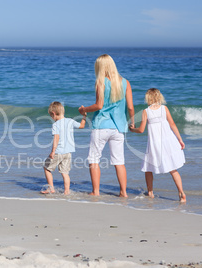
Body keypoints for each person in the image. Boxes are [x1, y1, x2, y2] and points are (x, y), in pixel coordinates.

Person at [79, 54, 135, 197]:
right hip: (118, 127)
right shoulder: (125, 82)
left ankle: (96, 192)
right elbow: (130, 107)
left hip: (101, 126)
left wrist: (84, 110)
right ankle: (123, 192)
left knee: (94, 159)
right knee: (119, 161)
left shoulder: (101, 81)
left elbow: (99, 105)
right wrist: (132, 121)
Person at [130, 88, 186, 202]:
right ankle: (181, 192)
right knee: (173, 169)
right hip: (168, 142)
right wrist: (180, 139)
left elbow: (141, 130)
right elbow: (173, 124)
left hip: (155, 144)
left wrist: (132, 129)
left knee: (148, 168)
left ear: (148, 98)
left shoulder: (146, 111)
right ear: (159, 97)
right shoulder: (164, 109)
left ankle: (150, 192)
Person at [42, 101, 87, 195]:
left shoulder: (55, 125)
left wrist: (53, 151)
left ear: (53, 113)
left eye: (51, 116)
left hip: (58, 152)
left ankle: (51, 188)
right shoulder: (70, 121)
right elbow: (82, 126)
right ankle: (66, 191)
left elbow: (56, 138)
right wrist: (84, 116)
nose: (52, 118)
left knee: (46, 168)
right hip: (68, 152)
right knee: (65, 173)